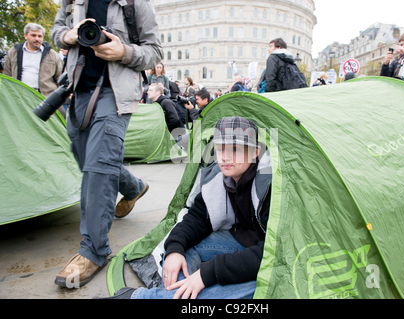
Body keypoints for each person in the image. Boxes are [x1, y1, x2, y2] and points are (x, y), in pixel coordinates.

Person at [51, 0, 163, 288]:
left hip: (115, 94)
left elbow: (154, 52)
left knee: (98, 168)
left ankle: (94, 250)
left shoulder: (135, 4)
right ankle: (132, 186)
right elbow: (56, 31)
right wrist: (69, 35)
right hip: (78, 91)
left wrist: (123, 51)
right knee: (85, 156)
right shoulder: (71, 1)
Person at [106, 116, 272, 299]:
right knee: (181, 252)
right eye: (219, 148)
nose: (225, 157)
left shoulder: (271, 185)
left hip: (270, 254)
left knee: (261, 287)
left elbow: (275, 251)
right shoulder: (219, 176)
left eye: (235, 148)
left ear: (255, 152)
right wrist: (174, 248)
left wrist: (206, 274)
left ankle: (143, 297)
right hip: (239, 239)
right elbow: (197, 217)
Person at [3, 23, 63, 98]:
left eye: (40, 36)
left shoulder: (52, 54)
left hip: (45, 97)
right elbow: (7, 75)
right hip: (19, 96)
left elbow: (60, 77)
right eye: (33, 35)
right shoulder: (14, 52)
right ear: (25, 36)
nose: (37, 39)